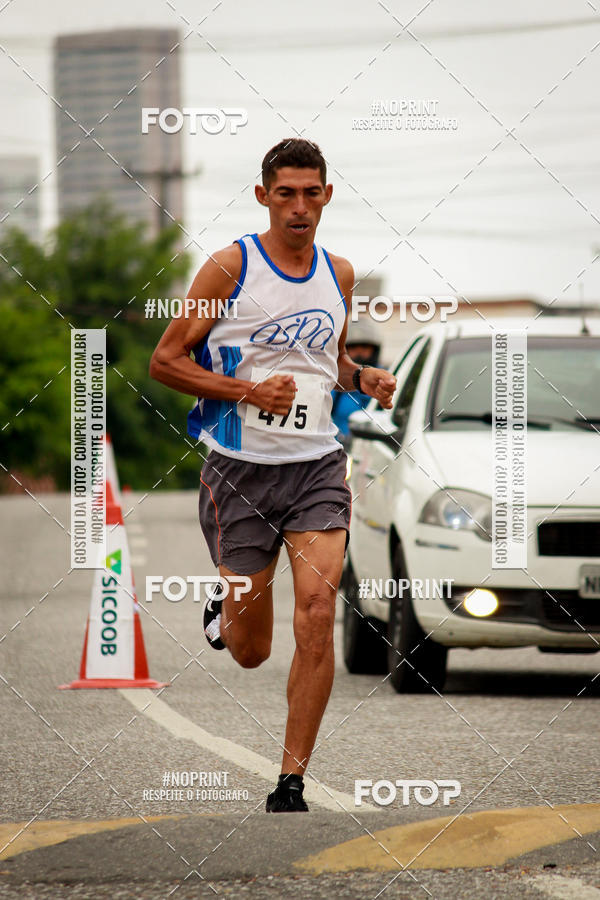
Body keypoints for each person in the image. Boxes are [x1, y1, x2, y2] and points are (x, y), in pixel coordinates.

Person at [150, 138, 396, 812]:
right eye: (285, 193)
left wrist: (361, 378)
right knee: (252, 650)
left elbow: (332, 360)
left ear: (326, 196)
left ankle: (291, 779)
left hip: (317, 465)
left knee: (317, 613)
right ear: (263, 196)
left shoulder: (339, 274)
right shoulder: (230, 268)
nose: (298, 206)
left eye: (310, 192)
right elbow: (165, 362)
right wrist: (245, 393)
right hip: (239, 473)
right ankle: (228, 610)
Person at [331, 317, 382, 450]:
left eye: (364, 347)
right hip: (343, 452)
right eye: (353, 348)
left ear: (374, 350)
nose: (359, 353)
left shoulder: (386, 381)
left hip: (375, 452)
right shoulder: (334, 384)